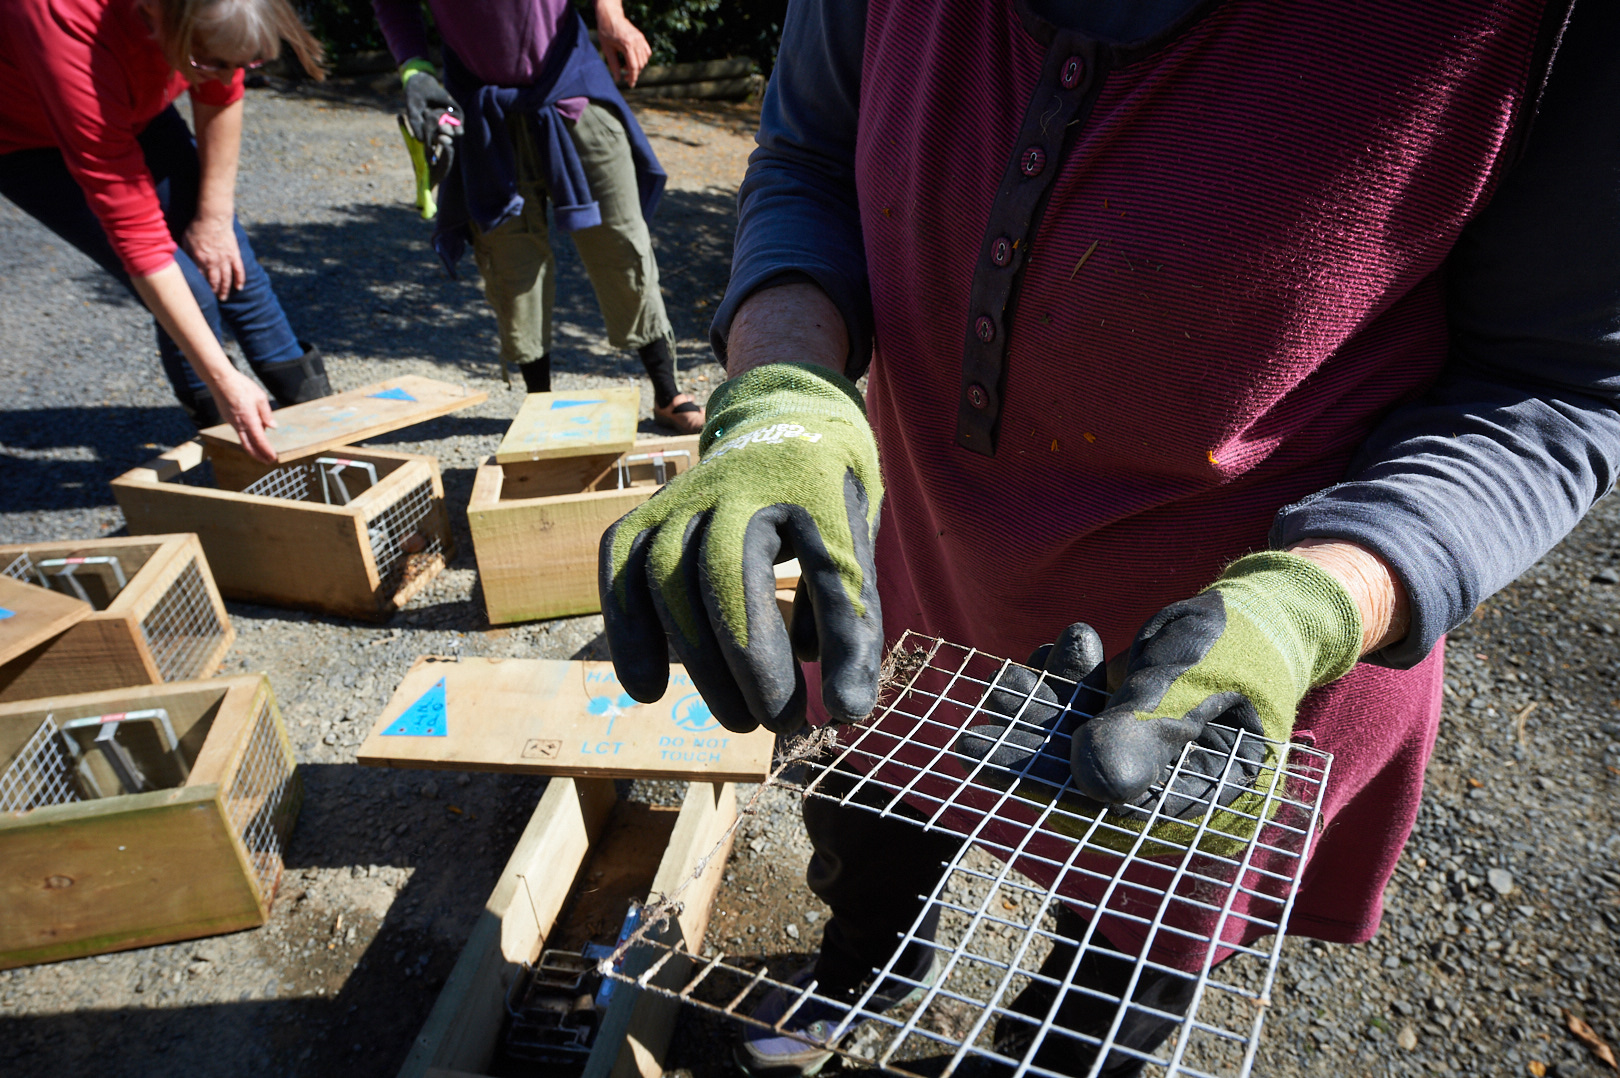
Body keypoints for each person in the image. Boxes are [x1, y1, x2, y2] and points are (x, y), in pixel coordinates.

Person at [600, 0, 1620, 1074]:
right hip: (922, 578)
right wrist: (782, 400)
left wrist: (1316, 610)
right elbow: (810, 157)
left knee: (1118, 978)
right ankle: (870, 980)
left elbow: (1550, 385)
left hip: (1232, 668)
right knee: (868, 842)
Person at [0, 0, 331, 463]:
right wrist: (223, 380)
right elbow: (139, 239)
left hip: (139, 108)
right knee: (189, 291)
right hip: (31, 141)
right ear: (159, 17)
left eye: (240, 63)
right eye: (209, 62)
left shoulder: (210, 18)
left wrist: (214, 220)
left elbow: (221, 92)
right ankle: (240, 454)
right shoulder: (61, 21)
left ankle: (328, 432)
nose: (223, 74)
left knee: (236, 268)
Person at [372, 0, 706, 434]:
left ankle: (666, 391)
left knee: (622, 242)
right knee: (511, 259)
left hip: (571, 87)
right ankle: (540, 405)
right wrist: (414, 68)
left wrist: (610, 12)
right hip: (482, 105)